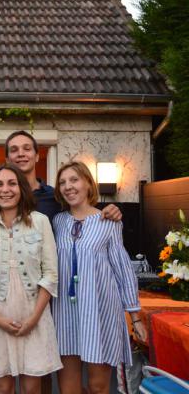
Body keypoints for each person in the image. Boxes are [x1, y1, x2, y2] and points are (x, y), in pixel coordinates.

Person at [4, 130, 121, 394]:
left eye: (26, 148)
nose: (21, 154)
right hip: (8, 295)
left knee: (43, 373)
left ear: (37, 155)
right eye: (14, 149)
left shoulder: (54, 200)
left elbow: (82, 214)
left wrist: (110, 209)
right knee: (6, 376)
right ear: (7, 157)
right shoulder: (1, 194)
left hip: (50, 298)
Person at [52, 161, 147, 394]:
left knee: (98, 386)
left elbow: (122, 269)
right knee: (68, 389)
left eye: (74, 180)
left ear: (88, 183)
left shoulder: (109, 222)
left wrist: (135, 317)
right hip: (65, 313)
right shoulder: (57, 222)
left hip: (100, 311)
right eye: (62, 182)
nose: (68, 186)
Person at [0, 164, 63, 394]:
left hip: (34, 314)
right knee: (2, 388)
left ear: (22, 188)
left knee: (32, 387)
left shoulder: (41, 221)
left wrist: (33, 318)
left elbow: (51, 274)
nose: (5, 190)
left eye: (12, 183)